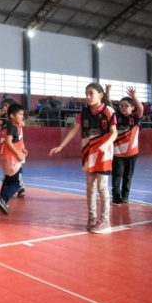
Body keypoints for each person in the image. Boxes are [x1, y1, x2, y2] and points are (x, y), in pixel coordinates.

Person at [49, 83, 117, 234]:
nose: (87, 96)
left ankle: (105, 221)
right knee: (90, 188)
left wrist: (106, 145)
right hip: (88, 154)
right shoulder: (84, 112)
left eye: (90, 93)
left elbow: (114, 133)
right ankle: (92, 218)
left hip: (103, 154)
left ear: (100, 95)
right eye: (86, 93)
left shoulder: (108, 111)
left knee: (103, 188)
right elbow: (74, 130)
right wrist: (61, 146)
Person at [108, 86, 143, 204]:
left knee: (128, 176)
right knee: (117, 175)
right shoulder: (116, 116)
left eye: (126, 106)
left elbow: (141, 108)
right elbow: (109, 106)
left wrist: (134, 96)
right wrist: (107, 92)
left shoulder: (135, 118)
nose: (122, 108)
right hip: (117, 153)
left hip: (132, 153)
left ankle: (125, 196)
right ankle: (116, 196)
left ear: (132, 107)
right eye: (121, 106)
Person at [0, 103, 27, 214]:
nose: (22, 117)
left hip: (4, 157)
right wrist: (18, 154)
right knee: (17, 182)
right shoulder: (13, 126)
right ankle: (3, 199)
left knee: (8, 180)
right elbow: (9, 141)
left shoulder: (9, 126)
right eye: (21, 114)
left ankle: (0, 199)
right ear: (12, 116)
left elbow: (15, 141)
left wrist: (22, 149)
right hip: (12, 158)